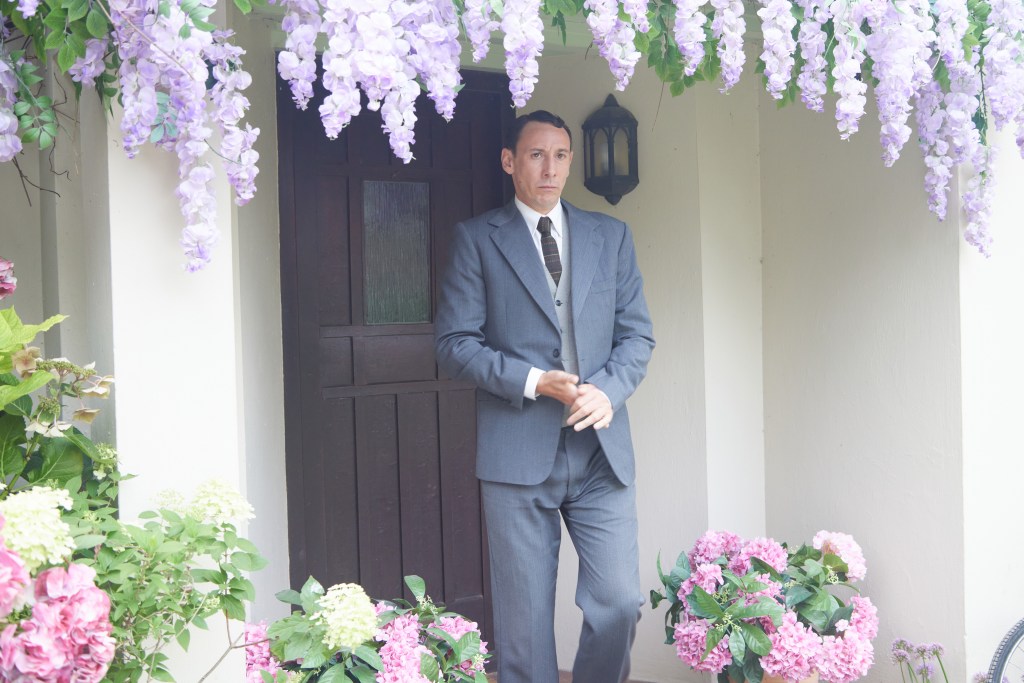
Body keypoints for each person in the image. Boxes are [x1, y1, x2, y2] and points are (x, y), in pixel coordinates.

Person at [435, 109, 655, 683]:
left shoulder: (611, 236)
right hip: (516, 453)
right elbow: (455, 345)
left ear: (571, 161)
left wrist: (609, 391)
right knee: (525, 631)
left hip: (601, 453)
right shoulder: (477, 239)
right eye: (536, 155)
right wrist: (535, 381)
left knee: (619, 603)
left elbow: (637, 335)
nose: (550, 169)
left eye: (559, 156)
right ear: (510, 162)